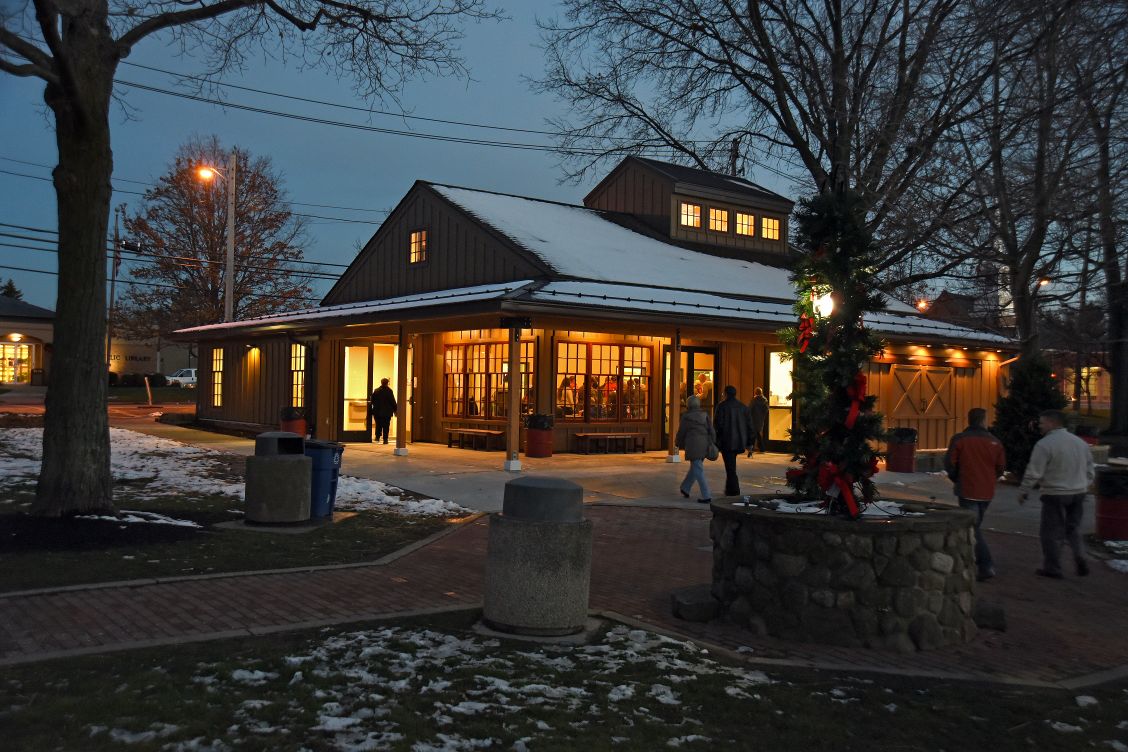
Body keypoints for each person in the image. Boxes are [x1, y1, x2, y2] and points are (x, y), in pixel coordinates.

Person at [1019, 409, 1095, 579]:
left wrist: (1024, 490)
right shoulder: (1080, 443)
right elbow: (1090, 469)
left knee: (1051, 532)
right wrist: (1085, 484)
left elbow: (1034, 472)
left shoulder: (1045, 444)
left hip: (1055, 492)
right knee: (1073, 528)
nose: (1039, 426)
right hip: (1079, 491)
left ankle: (1053, 567)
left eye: (1042, 422)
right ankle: (1080, 555)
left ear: (1052, 423)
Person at [944, 408, 1006, 582]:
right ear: (984, 420)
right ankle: (977, 560)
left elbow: (950, 462)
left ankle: (985, 563)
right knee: (975, 525)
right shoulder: (995, 442)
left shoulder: (960, 440)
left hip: (968, 488)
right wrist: (991, 478)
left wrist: (956, 478)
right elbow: (1000, 467)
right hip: (987, 491)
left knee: (973, 527)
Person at [713, 385, 755, 496]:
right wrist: (750, 442)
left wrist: (716, 440)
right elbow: (750, 426)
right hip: (739, 441)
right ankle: (730, 489)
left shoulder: (722, 406)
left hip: (727, 441)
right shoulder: (743, 407)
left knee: (730, 468)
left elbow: (718, 425)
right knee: (731, 466)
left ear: (725, 393)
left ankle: (733, 490)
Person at [676, 395, 715, 504]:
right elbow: (711, 430)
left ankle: (706, 495)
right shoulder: (705, 415)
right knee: (696, 467)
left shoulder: (686, 417)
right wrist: (712, 441)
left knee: (698, 470)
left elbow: (681, 432)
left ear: (688, 405)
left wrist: (677, 443)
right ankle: (685, 487)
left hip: (693, 444)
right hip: (704, 444)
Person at [368, 378, 397, 444]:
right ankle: (385, 439)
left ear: (381, 383)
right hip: (387, 412)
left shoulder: (376, 390)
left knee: (378, 424)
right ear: (387, 383)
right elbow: (392, 401)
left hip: (377, 411)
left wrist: (371, 409)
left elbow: (372, 401)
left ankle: (377, 437)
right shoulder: (389, 391)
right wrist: (395, 410)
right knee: (386, 425)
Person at [748, 387, 769, 454]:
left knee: (755, 433)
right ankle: (757, 448)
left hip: (754, 418)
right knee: (757, 432)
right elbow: (766, 409)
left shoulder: (754, 400)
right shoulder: (764, 400)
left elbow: (750, 408)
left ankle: (756, 447)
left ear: (755, 392)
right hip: (761, 419)